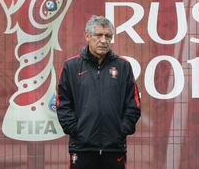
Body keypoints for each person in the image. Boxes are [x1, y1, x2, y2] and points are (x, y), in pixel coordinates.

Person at [56, 15, 141, 169]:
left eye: (108, 36)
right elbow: (63, 104)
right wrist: (77, 130)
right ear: (87, 36)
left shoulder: (123, 67)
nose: (104, 40)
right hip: (82, 148)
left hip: (114, 148)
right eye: (99, 35)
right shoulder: (71, 67)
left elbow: (133, 103)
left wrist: (121, 130)